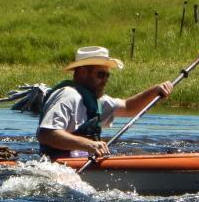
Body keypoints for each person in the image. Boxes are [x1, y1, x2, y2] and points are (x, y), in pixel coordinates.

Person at [37, 46, 173, 160]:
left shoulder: (98, 101)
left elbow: (128, 107)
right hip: (59, 167)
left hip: (82, 162)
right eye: (100, 75)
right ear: (83, 73)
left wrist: (155, 91)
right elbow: (46, 134)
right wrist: (90, 145)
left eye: (107, 75)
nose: (105, 80)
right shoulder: (68, 95)